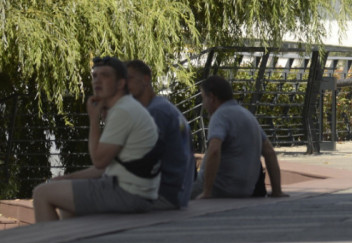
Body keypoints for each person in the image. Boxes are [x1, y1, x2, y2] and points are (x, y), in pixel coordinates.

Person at [32, 57, 160, 222]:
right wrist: (67, 178)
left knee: (42, 193)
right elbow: (108, 167)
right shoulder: (125, 107)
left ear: (121, 84)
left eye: (105, 75)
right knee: (67, 200)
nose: (97, 81)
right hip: (137, 191)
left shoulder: (123, 112)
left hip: (128, 194)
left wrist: (93, 119)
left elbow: (99, 161)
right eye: (95, 76)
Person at [191, 75, 286, 198]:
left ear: (212, 98)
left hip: (219, 188)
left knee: (174, 195)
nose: (204, 105)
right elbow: (269, 152)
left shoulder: (220, 116)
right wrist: (277, 191)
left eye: (203, 98)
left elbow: (214, 151)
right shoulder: (248, 116)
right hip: (245, 190)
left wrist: (207, 192)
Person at [126, 60, 194, 210]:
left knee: (83, 198)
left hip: (163, 195)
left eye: (129, 78)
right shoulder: (165, 107)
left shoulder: (156, 113)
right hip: (178, 193)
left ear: (145, 79)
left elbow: (141, 161)